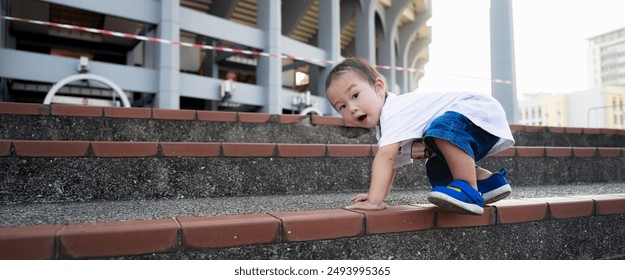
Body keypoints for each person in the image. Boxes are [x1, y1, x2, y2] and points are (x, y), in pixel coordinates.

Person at [325, 57, 515, 215]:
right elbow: (391, 163)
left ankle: (468, 189)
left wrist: (373, 202)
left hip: (477, 110)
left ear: (379, 86)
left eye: (355, 95)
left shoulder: (394, 111)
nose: (351, 108)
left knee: (441, 132)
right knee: (436, 165)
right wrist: (378, 197)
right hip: (472, 124)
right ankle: (489, 183)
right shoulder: (387, 128)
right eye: (342, 106)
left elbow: (385, 157)